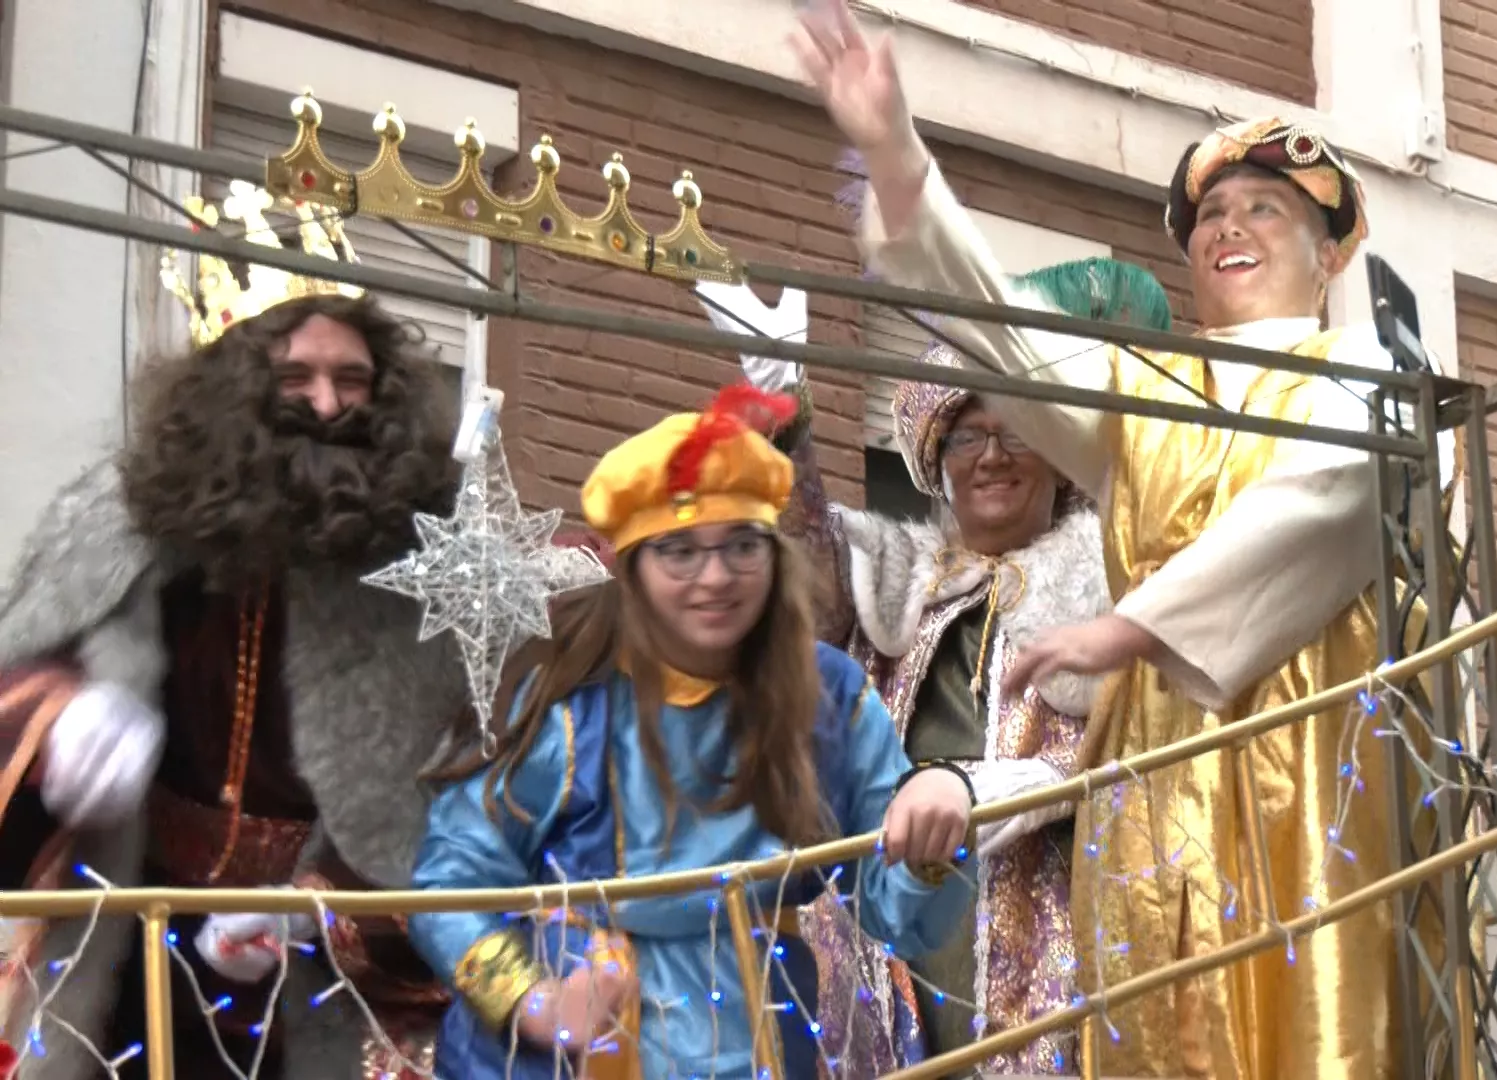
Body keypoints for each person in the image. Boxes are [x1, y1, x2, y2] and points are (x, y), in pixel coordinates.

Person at [791, 2, 1439, 1076]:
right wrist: (897, 153)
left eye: (1266, 209)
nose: (1229, 227)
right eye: (1212, 214)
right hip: (1155, 774)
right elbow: (1001, 335)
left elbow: (1330, 498)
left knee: (1314, 1019)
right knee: (1155, 1024)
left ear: (1331, 251)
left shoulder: (1368, 380)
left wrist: (1131, 627)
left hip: (1308, 759)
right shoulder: (1148, 389)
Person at [409, 385, 980, 1080]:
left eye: (742, 544)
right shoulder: (571, 699)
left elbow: (899, 913)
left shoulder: (828, 695)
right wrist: (534, 1000)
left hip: (754, 1039)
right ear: (633, 570)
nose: (716, 577)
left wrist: (935, 816)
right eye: (679, 550)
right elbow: (451, 883)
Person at [696, 255, 1168, 1076]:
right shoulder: (897, 576)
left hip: (1040, 920)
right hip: (889, 926)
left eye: (1016, 431)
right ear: (937, 459)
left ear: (1059, 455)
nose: (991, 455)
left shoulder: (1105, 584)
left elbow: (1114, 751)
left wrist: (980, 795)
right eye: (967, 435)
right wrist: (784, 417)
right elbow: (805, 563)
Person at [0, 273, 482, 1076]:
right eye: (295, 379)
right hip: (130, 938)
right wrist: (63, 722)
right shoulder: (122, 521)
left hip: (321, 973)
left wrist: (316, 906)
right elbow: (21, 666)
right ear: (235, 390)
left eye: (350, 381)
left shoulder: (431, 569)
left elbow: (468, 785)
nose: (325, 407)